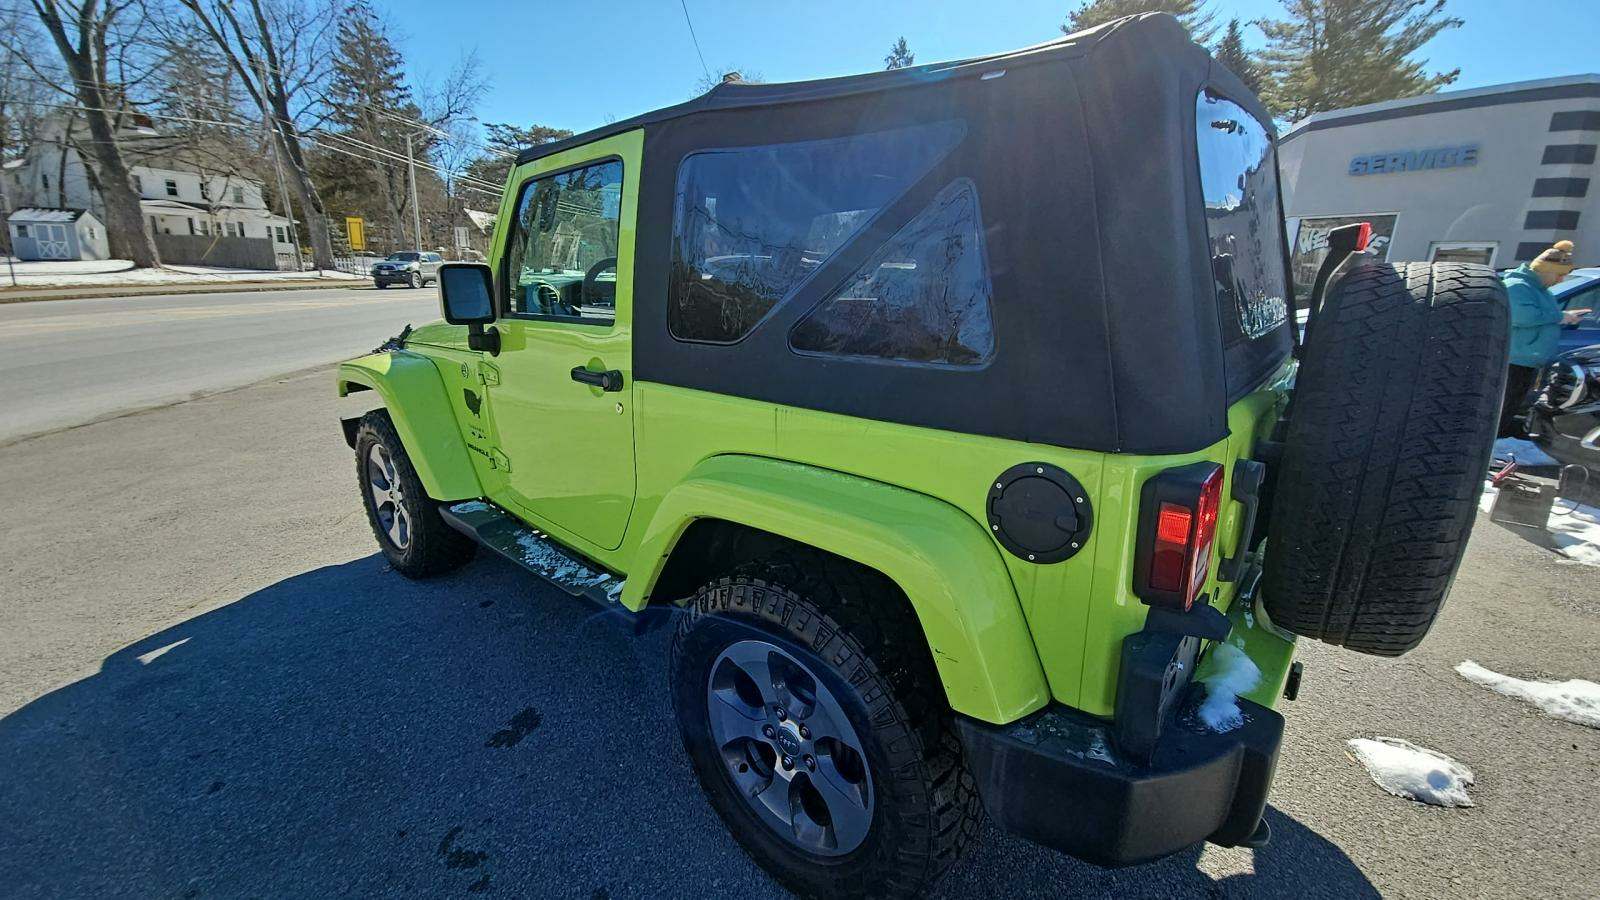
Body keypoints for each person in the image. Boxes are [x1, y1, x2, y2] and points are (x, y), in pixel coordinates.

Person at [1498, 240, 1591, 437]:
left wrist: (1566, 316)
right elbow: (1521, 316)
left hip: (1527, 360)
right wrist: (1560, 316)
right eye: (1559, 274)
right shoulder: (1517, 286)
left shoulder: (1540, 290)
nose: (1561, 279)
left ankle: (1498, 438)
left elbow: (1542, 316)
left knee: (1511, 406)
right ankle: (1493, 440)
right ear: (1546, 270)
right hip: (1513, 361)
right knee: (1502, 406)